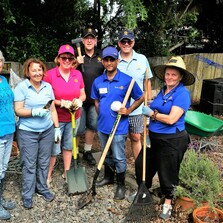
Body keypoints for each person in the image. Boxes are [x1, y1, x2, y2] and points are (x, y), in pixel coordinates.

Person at [138, 56, 195, 220]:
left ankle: (167, 203)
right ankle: (143, 192)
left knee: (167, 173)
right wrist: (148, 126)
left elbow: (171, 119)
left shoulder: (182, 93)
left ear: (180, 77)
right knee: (142, 165)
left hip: (172, 140)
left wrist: (152, 114)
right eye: (168, 74)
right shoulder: (163, 90)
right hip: (153, 137)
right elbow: (155, 109)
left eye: (174, 75)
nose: (169, 77)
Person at [91, 46, 144, 200]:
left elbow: (140, 97)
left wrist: (128, 110)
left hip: (119, 127)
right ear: (103, 61)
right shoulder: (98, 81)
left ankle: (120, 184)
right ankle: (108, 177)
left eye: (112, 59)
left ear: (117, 61)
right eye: (106, 59)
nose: (109, 63)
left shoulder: (127, 80)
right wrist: (101, 113)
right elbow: (96, 100)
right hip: (103, 126)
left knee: (119, 156)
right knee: (106, 153)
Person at [14, 58, 61, 209]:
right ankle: (27, 194)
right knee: (29, 164)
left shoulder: (48, 87)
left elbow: (52, 109)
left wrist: (56, 128)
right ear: (27, 72)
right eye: (33, 70)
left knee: (43, 161)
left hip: (46, 131)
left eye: (39, 70)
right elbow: (18, 110)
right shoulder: (22, 87)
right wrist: (34, 112)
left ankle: (42, 188)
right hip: (28, 132)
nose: (37, 73)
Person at [44, 44, 86, 184]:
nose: (67, 60)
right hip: (57, 118)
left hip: (74, 117)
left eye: (70, 58)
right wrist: (61, 103)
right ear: (58, 58)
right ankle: (48, 174)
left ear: (73, 59)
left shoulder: (77, 74)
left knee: (69, 145)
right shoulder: (50, 75)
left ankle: (67, 172)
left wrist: (79, 101)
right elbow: (46, 99)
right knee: (54, 148)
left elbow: (83, 95)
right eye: (64, 57)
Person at [117, 29, 153, 160]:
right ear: (119, 43)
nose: (126, 43)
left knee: (136, 137)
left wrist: (149, 101)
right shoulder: (114, 60)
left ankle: (138, 167)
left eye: (129, 41)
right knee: (118, 139)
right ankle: (119, 167)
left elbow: (147, 81)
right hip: (119, 108)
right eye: (123, 41)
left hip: (137, 108)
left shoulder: (142, 59)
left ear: (133, 42)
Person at [75, 28, 104, 165]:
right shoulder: (76, 56)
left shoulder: (101, 56)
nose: (89, 40)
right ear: (82, 40)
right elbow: (67, 73)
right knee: (79, 128)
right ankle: (74, 153)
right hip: (79, 98)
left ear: (96, 40)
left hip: (95, 99)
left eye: (92, 38)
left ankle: (87, 151)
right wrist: (76, 63)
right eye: (87, 38)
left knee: (92, 126)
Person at [0, 50, 16, 220]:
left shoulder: (3, 80)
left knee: (3, 167)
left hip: (9, 129)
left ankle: (0, 198)